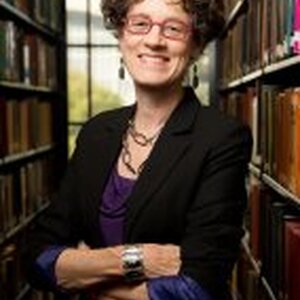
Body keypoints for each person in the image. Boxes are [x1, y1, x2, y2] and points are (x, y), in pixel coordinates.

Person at [24, 0, 252, 299]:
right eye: (140, 24)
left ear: (196, 45)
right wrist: (139, 259)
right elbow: (36, 257)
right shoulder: (96, 133)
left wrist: (84, 273)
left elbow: (198, 287)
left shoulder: (223, 138)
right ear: (121, 35)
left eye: (173, 28)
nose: (154, 40)